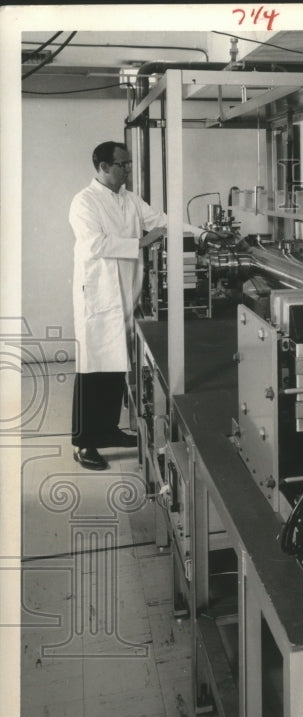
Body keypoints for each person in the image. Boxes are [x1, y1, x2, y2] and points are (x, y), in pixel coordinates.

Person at [69, 140, 168, 471]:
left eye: (128, 164)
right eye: (122, 164)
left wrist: (203, 234)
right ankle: (84, 444)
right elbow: (95, 244)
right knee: (92, 371)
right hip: (99, 298)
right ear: (103, 167)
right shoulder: (84, 201)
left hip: (125, 295)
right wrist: (142, 241)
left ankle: (108, 430)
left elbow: (162, 220)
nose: (128, 169)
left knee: (115, 366)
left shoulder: (129, 199)